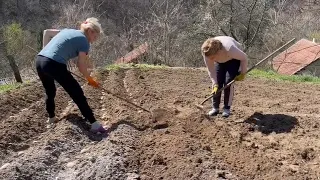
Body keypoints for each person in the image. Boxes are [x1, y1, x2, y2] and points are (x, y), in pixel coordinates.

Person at [35, 17, 106, 133]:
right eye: (95, 36)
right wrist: (90, 79)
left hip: (40, 60)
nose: (95, 39)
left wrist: (45, 50)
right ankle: (94, 124)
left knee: (50, 91)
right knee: (77, 92)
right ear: (90, 31)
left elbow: (47, 32)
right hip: (54, 64)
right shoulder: (84, 42)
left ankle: (51, 119)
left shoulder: (67, 30)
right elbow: (81, 65)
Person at [201, 36, 248, 117]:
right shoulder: (207, 53)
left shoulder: (230, 49)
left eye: (212, 57)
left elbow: (244, 58)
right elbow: (211, 70)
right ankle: (215, 108)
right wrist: (214, 83)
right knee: (217, 82)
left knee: (228, 83)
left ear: (218, 52)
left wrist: (243, 73)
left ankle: (226, 109)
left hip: (233, 59)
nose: (210, 59)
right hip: (220, 61)